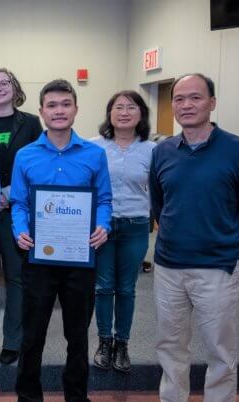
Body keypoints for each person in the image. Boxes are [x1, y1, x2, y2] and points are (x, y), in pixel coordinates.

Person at [148, 73, 239, 402]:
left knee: (219, 353)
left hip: (217, 268)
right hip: (169, 267)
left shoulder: (238, 151)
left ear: (212, 103)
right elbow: (159, 204)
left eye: (195, 98)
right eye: (179, 99)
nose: (186, 105)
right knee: (170, 347)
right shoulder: (163, 151)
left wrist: (231, 250)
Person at [8, 79, 112, 402]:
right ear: (41, 111)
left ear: (76, 109)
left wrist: (103, 224)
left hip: (80, 259)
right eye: (51, 105)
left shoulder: (95, 154)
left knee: (77, 338)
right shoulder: (26, 155)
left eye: (65, 104)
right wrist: (20, 230)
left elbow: (105, 200)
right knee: (32, 336)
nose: (59, 111)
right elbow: (19, 203)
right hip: (38, 258)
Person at [0, 68, 41, 366]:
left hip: (18, 212)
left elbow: (38, 165)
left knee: (17, 277)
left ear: (15, 88)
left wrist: (10, 193)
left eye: (5, 83)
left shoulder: (31, 123)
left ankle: (13, 340)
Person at [90, 90, 155, 373]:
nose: (124, 112)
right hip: (101, 227)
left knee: (127, 289)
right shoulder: (94, 147)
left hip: (135, 225)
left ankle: (122, 344)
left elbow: (161, 190)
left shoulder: (153, 150)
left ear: (141, 113)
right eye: (118, 107)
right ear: (109, 113)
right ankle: (104, 341)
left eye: (131, 107)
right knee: (103, 287)